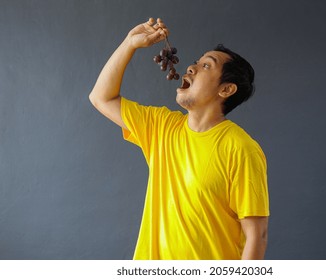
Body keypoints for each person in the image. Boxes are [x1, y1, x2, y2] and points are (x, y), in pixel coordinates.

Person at [89, 18, 269, 260]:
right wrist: (129, 44)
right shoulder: (161, 127)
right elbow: (102, 97)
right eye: (196, 63)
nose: (191, 68)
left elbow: (257, 235)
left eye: (207, 66)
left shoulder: (241, 148)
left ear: (226, 90)